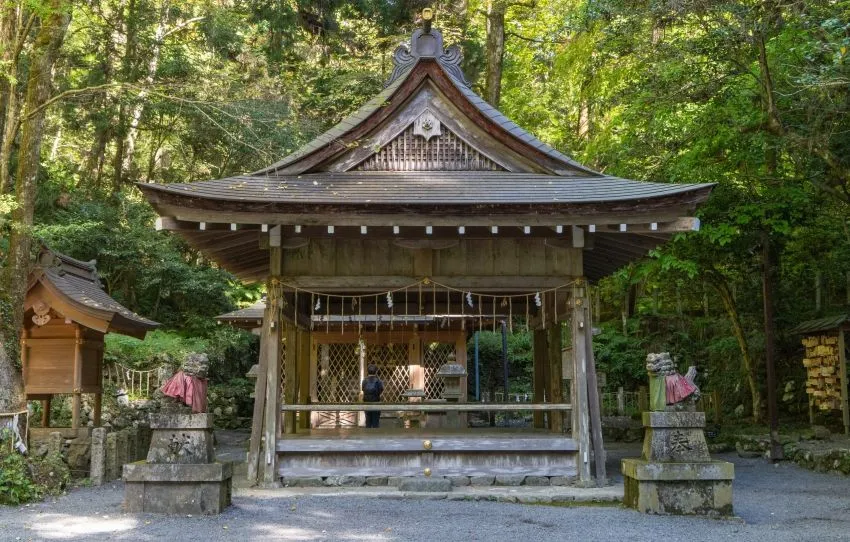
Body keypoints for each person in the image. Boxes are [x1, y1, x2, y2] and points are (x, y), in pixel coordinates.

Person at [361, 364, 384, 428]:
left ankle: (368, 433)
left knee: (368, 421)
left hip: (366, 402)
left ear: (368, 371)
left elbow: (363, 389)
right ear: (376, 371)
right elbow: (381, 390)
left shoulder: (364, 381)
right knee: (375, 421)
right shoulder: (378, 381)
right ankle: (375, 433)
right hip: (376, 402)